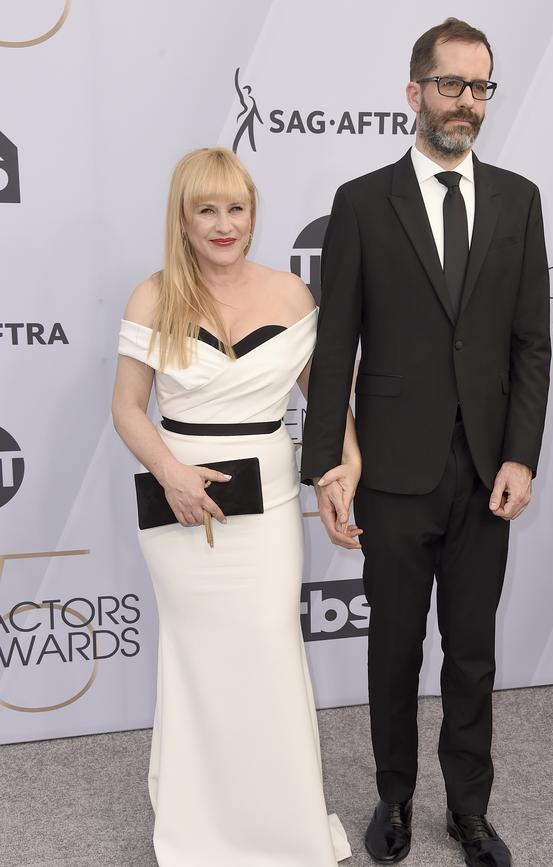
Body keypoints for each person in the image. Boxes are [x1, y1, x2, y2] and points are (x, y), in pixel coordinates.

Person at [301, 18, 551, 867]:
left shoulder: (519, 199)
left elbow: (530, 343)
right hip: (394, 471)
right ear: (415, 93)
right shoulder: (364, 202)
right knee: (395, 647)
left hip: (488, 470)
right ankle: (396, 798)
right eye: (453, 86)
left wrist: (522, 453)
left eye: (482, 87)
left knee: (472, 653)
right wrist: (329, 466)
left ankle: (469, 811)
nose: (468, 103)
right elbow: (335, 345)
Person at [112, 147, 356, 866]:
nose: (224, 225)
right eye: (207, 210)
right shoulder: (152, 296)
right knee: (198, 659)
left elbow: (328, 407)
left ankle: (282, 829)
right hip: (180, 505)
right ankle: (201, 828)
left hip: (271, 504)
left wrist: (343, 469)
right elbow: (127, 408)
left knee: (269, 653)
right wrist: (171, 470)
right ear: (183, 220)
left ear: (254, 214)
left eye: (236, 208)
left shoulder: (292, 297)